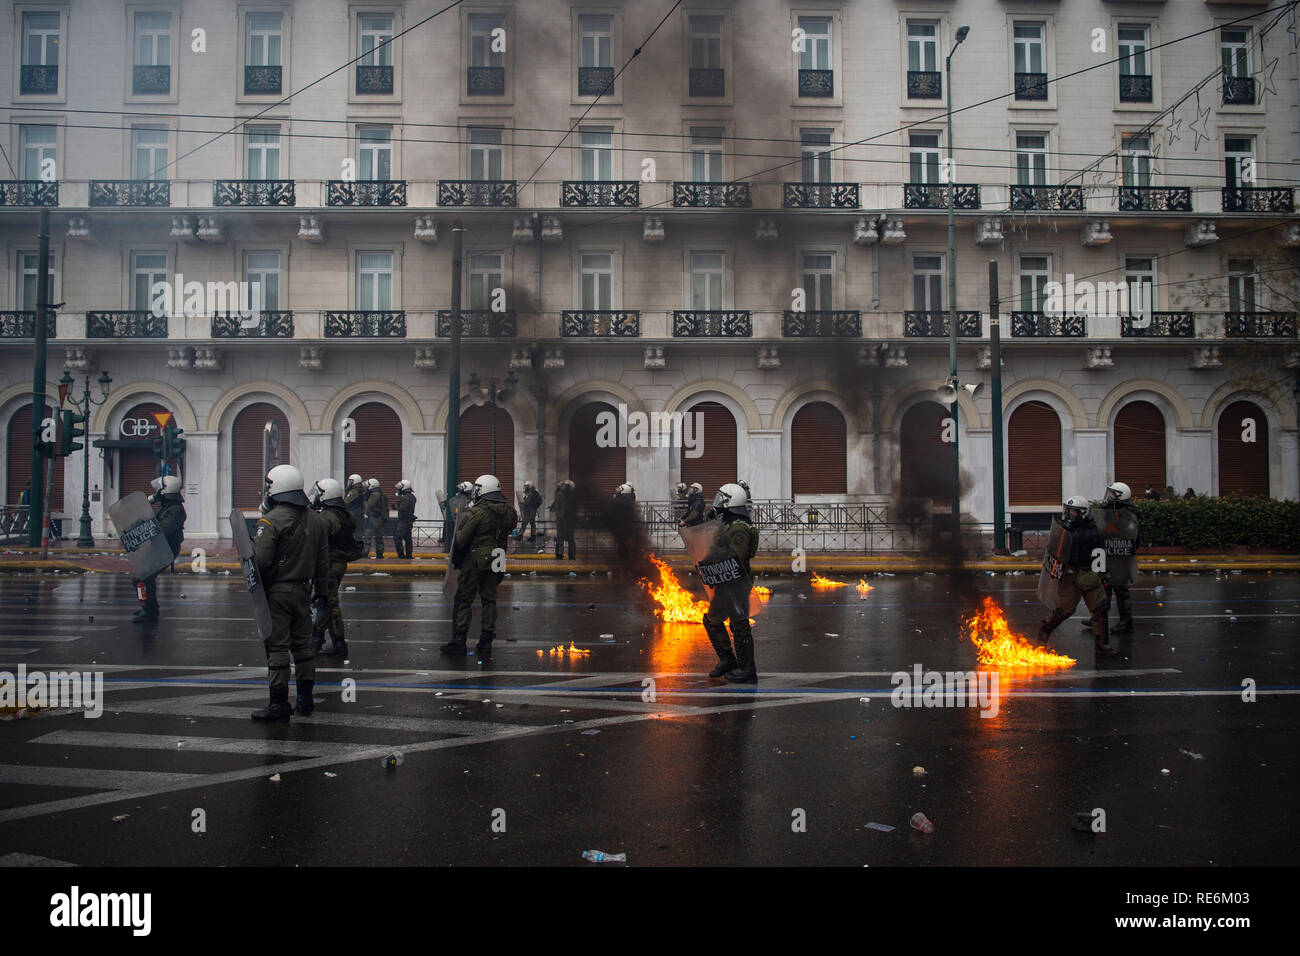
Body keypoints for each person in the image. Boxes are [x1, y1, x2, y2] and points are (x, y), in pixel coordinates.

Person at [251, 464, 330, 721]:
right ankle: (306, 700)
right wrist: (323, 594)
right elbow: (322, 562)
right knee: (304, 646)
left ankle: (278, 704)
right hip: (304, 591)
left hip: (278, 592)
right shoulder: (317, 520)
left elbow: (260, 562)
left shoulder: (269, 521)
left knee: (277, 648)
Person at [443, 474, 518, 659]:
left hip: (476, 560)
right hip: (498, 558)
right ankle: (486, 641)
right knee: (489, 599)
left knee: (463, 599)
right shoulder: (509, 512)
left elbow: (461, 539)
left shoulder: (478, 512)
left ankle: (459, 641)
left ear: (483, 490)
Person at [1038, 495, 1118, 657]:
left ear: (1082, 513)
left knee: (1100, 609)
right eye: (1067, 511)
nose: (1068, 515)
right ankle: (1045, 629)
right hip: (1071, 576)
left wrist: (1104, 575)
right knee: (1064, 611)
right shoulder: (1064, 531)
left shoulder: (1094, 531)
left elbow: (1100, 553)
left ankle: (1102, 645)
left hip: (1090, 574)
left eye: (1072, 512)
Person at [700, 483, 760, 683]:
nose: (718, 504)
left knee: (739, 624)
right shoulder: (727, 523)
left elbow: (736, 557)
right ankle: (728, 660)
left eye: (721, 499)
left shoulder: (739, 528)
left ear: (730, 501)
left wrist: (715, 562)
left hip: (736, 583)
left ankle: (747, 669)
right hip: (724, 582)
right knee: (712, 620)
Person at [310, 478, 362, 657]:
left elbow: (316, 539)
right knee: (325, 600)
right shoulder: (344, 514)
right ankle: (320, 640)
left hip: (329, 563)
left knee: (328, 602)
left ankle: (333, 643)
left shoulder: (327, 516)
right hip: (338, 562)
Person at [133, 475, 187, 623]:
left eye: (159, 490)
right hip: (159, 549)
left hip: (166, 550)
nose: (156, 493)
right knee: (144, 579)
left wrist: (147, 529)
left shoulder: (175, 510)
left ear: (165, 491)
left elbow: (163, 530)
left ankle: (149, 611)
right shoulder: (166, 507)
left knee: (142, 578)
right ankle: (149, 608)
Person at [549, 479, 578, 560]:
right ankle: (568, 556)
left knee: (563, 539)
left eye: (565, 485)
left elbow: (564, 505)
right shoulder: (562, 494)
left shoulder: (567, 495)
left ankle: (561, 556)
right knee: (565, 539)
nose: (563, 486)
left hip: (566, 520)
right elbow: (557, 503)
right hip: (565, 520)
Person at [611, 483, 638, 562]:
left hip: (621, 525)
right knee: (626, 542)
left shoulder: (621, 499)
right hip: (627, 524)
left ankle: (623, 558)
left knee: (622, 542)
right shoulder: (629, 498)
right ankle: (627, 557)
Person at [363, 477, 388, 559]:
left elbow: (370, 505)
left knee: (367, 536)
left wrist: (365, 501)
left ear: (372, 486)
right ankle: (380, 554)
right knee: (379, 538)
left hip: (374, 519)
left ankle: (365, 553)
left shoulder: (375, 494)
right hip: (380, 519)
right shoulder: (380, 493)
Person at [394, 479, 417, 559]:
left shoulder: (407, 497)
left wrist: (396, 506)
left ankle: (401, 555)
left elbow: (403, 508)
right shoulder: (410, 496)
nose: (399, 489)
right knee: (407, 538)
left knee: (397, 538)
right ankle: (408, 555)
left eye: (400, 487)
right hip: (408, 520)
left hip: (404, 520)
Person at [344, 474, 366, 540]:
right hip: (358, 515)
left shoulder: (355, 491)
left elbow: (345, 501)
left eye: (350, 481)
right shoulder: (360, 489)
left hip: (354, 515)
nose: (349, 483)